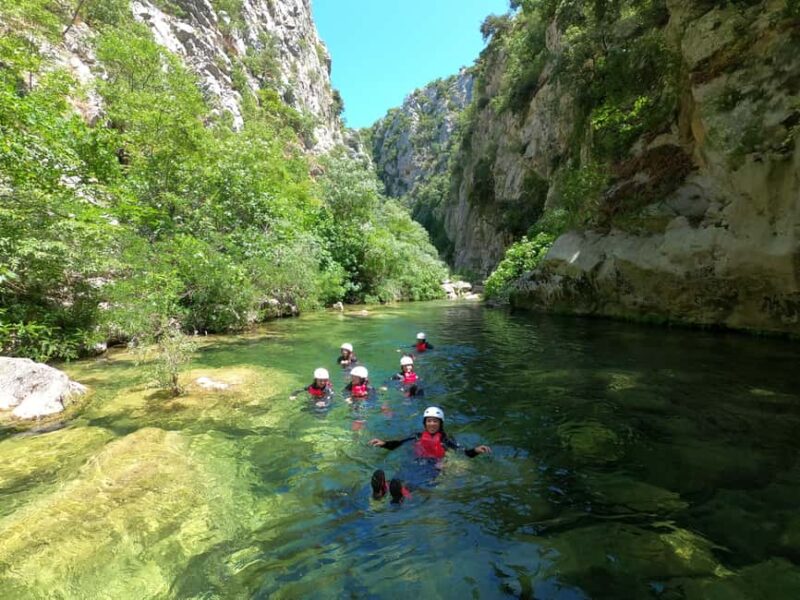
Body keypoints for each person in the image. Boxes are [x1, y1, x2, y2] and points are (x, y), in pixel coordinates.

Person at [368, 406, 491, 503]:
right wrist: (383, 443)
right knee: (400, 476)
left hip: (433, 465)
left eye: (435, 421)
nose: (432, 424)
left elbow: (464, 452)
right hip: (416, 461)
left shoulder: (446, 439)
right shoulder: (417, 436)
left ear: (440, 423)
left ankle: (398, 496)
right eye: (429, 421)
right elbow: (398, 443)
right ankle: (381, 490)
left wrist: (476, 450)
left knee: (415, 482)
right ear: (425, 423)